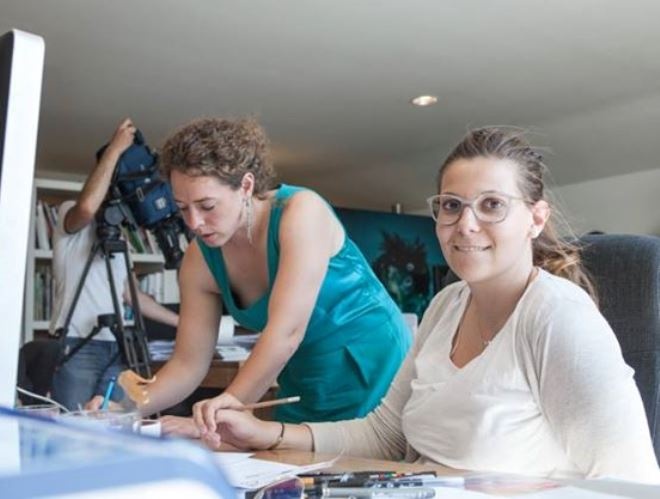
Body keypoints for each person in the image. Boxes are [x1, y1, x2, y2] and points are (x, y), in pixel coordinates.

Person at [193, 127, 659, 483]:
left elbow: (633, 481)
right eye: (452, 206)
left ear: (535, 219)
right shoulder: (447, 305)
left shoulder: (557, 316)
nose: (466, 224)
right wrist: (265, 432)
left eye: (492, 205)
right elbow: (384, 434)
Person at [113, 117, 411, 425]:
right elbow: (187, 364)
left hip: (374, 364)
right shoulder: (199, 260)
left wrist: (220, 414)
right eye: (182, 208)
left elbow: (286, 333)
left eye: (207, 206)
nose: (194, 223)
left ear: (246, 185)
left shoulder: (301, 212)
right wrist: (119, 412)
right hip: (304, 374)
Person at [51, 118, 179, 411]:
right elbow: (87, 208)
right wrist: (115, 149)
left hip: (120, 342)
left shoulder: (117, 233)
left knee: (116, 424)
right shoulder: (70, 213)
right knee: (74, 428)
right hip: (78, 342)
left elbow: (130, 293)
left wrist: (180, 322)